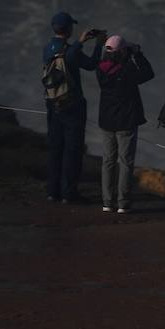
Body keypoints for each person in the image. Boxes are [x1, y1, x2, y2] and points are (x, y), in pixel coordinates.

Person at [40, 11, 104, 204]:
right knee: (72, 150)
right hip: (72, 106)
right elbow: (92, 64)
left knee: (55, 148)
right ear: (68, 29)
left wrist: (79, 43)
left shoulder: (47, 48)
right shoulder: (70, 50)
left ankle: (53, 191)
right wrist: (98, 44)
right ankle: (69, 193)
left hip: (52, 103)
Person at [94, 35, 154, 214]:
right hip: (126, 122)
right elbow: (148, 73)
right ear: (122, 52)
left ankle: (107, 202)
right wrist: (137, 54)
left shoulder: (100, 69)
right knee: (126, 162)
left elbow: (111, 62)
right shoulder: (127, 70)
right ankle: (123, 203)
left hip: (107, 120)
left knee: (108, 161)